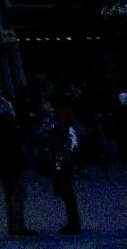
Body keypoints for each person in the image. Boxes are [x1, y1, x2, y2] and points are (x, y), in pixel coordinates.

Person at [0, 92, 30, 237]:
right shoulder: (9, 120)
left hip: (1, 162)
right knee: (17, 194)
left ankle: (12, 224)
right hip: (14, 160)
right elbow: (19, 136)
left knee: (8, 193)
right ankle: (18, 225)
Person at [35, 99, 82, 236]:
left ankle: (74, 223)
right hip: (63, 156)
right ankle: (74, 222)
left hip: (60, 157)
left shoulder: (54, 119)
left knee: (66, 189)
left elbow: (42, 133)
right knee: (67, 190)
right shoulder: (62, 118)